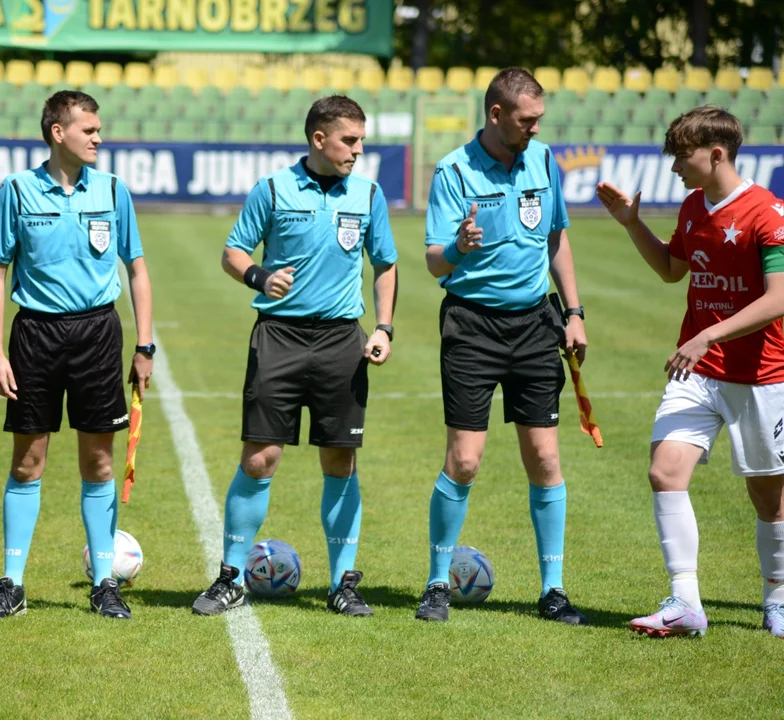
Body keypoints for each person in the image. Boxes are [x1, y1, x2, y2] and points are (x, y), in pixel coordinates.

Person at [191, 95, 398, 617]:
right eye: (349, 140)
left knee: (339, 459)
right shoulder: (273, 189)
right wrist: (260, 277)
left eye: (361, 141)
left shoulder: (368, 193)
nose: (357, 150)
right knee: (261, 457)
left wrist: (383, 327)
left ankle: (341, 584)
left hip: (341, 342)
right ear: (318, 139)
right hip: (278, 337)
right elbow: (233, 252)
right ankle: (230, 577)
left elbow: (386, 264)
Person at [597, 107, 784, 638]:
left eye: (683, 154)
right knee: (664, 471)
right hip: (697, 372)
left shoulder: (768, 215)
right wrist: (634, 225)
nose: (675, 164)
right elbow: (671, 271)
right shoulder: (691, 208)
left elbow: (779, 300)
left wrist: (710, 333)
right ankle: (685, 603)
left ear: (716, 153)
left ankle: (777, 597)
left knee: (769, 499)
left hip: (762, 375)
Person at [417, 67, 589, 625]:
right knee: (464, 461)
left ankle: (553, 590)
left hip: (536, 324)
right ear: (496, 115)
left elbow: (556, 235)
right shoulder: (453, 171)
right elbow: (434, 261)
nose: (536, 129)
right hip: (471, 325)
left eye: (540, 119)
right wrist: (460, 247)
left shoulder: (542, 160)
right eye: (527, 120)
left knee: (544, 456)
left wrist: (574, 312)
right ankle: (437, 583)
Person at [0, 90, 153, 621]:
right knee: (28, 462)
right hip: (34, 335)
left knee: (98, 461)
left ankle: (104, 584)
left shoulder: (114, 189)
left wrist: (145, 345)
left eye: (99, 129)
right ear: (59, 133)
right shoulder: (16, 190)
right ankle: (12, 583)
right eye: (90, 129)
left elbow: (137, 270)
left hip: (99, 333)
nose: (99, 138)